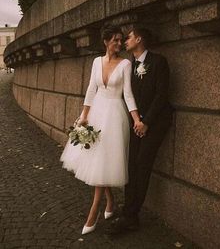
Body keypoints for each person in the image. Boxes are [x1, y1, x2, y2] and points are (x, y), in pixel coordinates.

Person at [60, 25, 141, 235]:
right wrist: (84, 116)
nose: (118, 43)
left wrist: (136, 119)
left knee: (103, 159)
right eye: (114, 39)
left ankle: (93, 211)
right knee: (96, 159)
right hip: (96, 111)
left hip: (115, 116)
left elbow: (128, 94)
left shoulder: (125, 64)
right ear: (105, 41)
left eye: (120, 40)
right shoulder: (96, 61)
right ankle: (111, 201)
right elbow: (90, 89)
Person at [109, 27, 174, 234]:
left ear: (139, 39)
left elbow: (161, 95)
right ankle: (129, 212)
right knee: (132, 166)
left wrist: (146, 122)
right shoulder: (129, 65)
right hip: (136, 124)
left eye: (127, 37)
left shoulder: (158, 61)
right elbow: (127, 96)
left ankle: (130, 216)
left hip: (155, 124)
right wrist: (135, 121)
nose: (124, 41)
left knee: (142, 165)